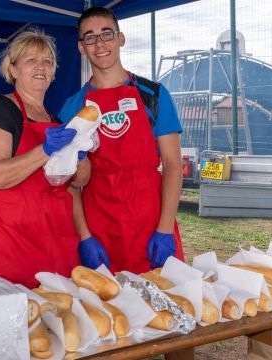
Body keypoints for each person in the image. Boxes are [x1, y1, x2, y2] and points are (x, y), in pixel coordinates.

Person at [60, 7, 185, 274]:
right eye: (90, 38)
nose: (100, 44)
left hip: (151, 219)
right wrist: (85, 237)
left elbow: (173, 164)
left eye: (107, 34)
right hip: (100, 225)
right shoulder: (73, 108)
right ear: (81, 47)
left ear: (121, 38)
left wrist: (165, 229)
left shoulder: (154, 95)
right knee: (107, 310)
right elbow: (69, 182)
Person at [0, 29, 86, 289]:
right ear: (14, 69)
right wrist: (46, 149)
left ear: (53, 73)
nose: (41, 67)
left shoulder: (56, 121)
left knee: (52, 319)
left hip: (52, 238)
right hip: (6, 238)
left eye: (47, 61)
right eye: (31, 60)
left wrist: (80, 153)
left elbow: (79, 181)